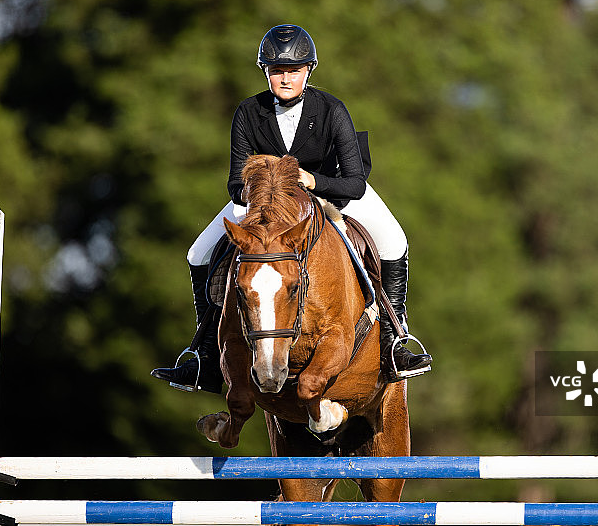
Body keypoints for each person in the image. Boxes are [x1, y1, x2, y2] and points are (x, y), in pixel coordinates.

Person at [151, 24, 432, 392]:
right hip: (266, 202)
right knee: (197, 253)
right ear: (265, 71)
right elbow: (236, 183)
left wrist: (313, 182)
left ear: (308, 71)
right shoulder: (249, 112)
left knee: (394, 241)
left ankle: (394, 344)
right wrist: (266, 195)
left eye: (293, 71)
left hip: (332, 192)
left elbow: (354, 182)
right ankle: (205, 357)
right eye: (276, 70)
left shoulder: (331, 109)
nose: (284, 78)